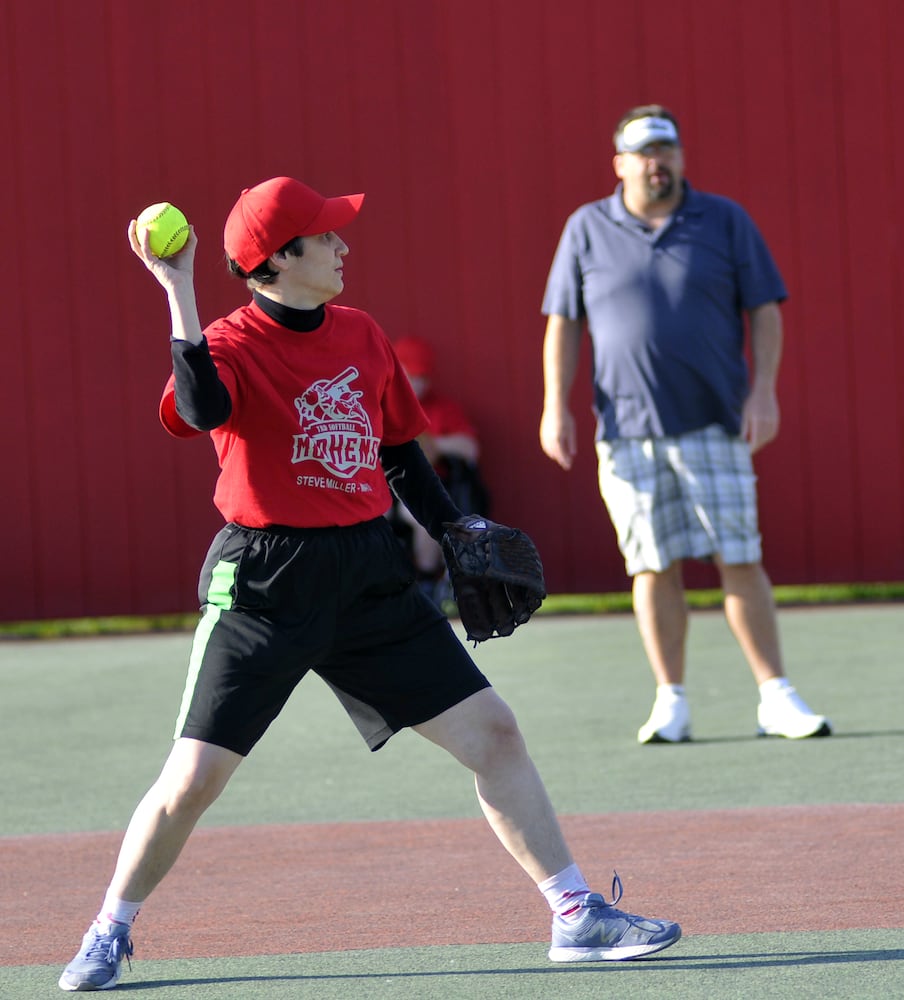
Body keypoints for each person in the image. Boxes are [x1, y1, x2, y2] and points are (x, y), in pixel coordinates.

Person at [58, 176, 680, 992]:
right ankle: (111, 929)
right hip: (265, 584)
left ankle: (576, 914)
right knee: (194, 780)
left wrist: (453, 526)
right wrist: (178, 289)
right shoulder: (232, 341)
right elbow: (206, 409)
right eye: (325, 236)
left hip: (366, 572)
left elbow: (397, 450)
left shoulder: (358, 332)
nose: (343, 245)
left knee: (493, 732)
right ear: (278, 260)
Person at [539, 106, 831, 745]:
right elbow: (564, 322)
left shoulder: (724, 220)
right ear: (620, 164)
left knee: (740, 556)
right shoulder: (586, 227)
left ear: (680, 158)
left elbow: (764, 310)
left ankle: (775, 696)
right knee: (651, 565)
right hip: (626, 434)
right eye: (643, 153)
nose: (656, 162)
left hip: (712, 423)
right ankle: (670, 701)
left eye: (666, 150)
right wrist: (553, 405)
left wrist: (764, 393)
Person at [386, 335, 490, 600]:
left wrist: (438, 445)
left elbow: (469, 448)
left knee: (422, 515)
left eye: (421, 376)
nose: (416, 383)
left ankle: (426, 580)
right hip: (379, 488)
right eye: (410, 375)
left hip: (423, 486)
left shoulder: (442, 409)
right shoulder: (379, 405)